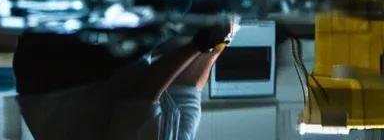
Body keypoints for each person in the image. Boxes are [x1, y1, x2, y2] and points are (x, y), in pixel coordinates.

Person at [12, 19, 236, 140]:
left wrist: (200, 44)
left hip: (56, 80)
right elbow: (188, 86)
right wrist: (220, 41)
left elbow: (142, 92)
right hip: (91, 80)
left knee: (159, 6)